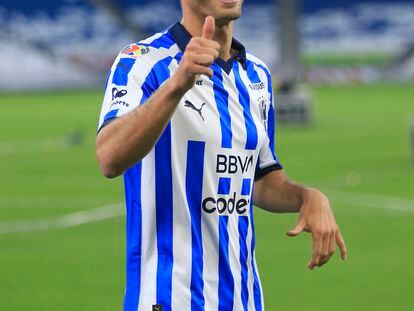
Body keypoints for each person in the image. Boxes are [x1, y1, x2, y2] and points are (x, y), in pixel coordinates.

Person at [96, 0, 347, 310]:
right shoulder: (142, 62)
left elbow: (259, 177)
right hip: (171, 298)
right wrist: (177, 85)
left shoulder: (256, 76)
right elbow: (108, 157)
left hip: (244, 298)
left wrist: (308, 197)